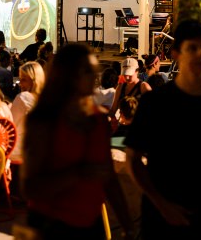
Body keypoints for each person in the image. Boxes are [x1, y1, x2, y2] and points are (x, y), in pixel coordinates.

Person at [125, 20, 201, 239]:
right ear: (175, 53)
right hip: (161, 221)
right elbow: (133, 159)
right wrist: (162, 204)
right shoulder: (155, 103)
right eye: (193, 48)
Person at [21, 44, 134, 239]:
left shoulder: (97, 118)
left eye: (93, 70)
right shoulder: (44, 120)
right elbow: (31, 187)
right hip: (51, 224)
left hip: (89, 221)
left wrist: (129, 226)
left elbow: (108, 176)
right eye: (86, 71)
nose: (93, 76)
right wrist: (77, 173)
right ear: (67, 75)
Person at [10, 61, 45, 163]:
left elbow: (11, 127)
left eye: (23, 80)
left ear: (34, 80)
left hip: (18, 155)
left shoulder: (23, 98)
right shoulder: (48, 99)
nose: (20, 84)